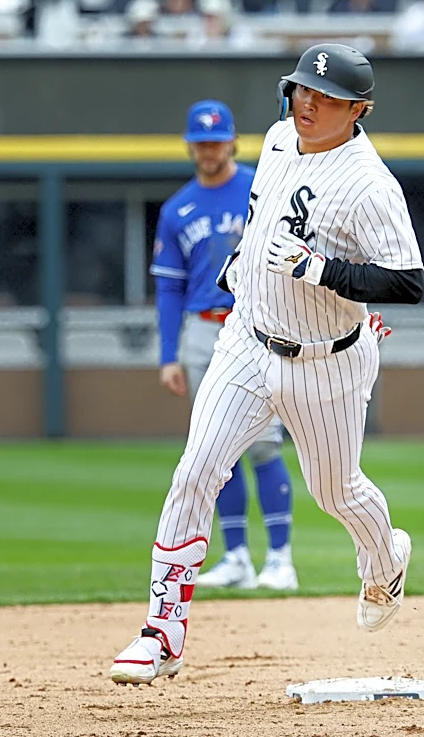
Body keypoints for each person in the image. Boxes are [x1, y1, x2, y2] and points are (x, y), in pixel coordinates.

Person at [110, 43, 423, 686]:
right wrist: (241, 268)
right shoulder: (280, 139)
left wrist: (321, 271)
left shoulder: (368, 183)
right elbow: (261, 223)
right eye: (304, 89)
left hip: (326, 362)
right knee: (196, 470)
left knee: (336, 492)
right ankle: (160, 632)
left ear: (359, 110)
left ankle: (385, 562)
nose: (309, 103)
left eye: (328, 97)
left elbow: (408, 282)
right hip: (247, 342)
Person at [151, 99, 299, 592]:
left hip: (257, 323)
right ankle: (236, 556)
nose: (209, 150)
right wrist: (168, 353)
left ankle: (281, 558)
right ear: (191, 146)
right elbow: (169, 286)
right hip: (201, 329)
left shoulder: (262, 184)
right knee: (217, 450)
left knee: (262, 444)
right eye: (201, 142)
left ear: (232, 141)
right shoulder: (178, 209)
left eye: (217, 141)